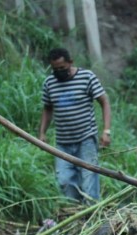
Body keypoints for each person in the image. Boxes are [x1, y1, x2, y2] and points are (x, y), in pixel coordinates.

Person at [39, 47, 111, 203]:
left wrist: (106, 130)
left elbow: (104, 101)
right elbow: (47, 108)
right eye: (55, 69)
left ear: (70, 62)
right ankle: (76, 214)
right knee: (64, 180)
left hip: (86, 139)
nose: (59, 72)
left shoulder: (87, 77)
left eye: (62, 68)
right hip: (63, 143)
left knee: (89, 180)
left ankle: (92, 216)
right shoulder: (49, 83)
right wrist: (42, 133)